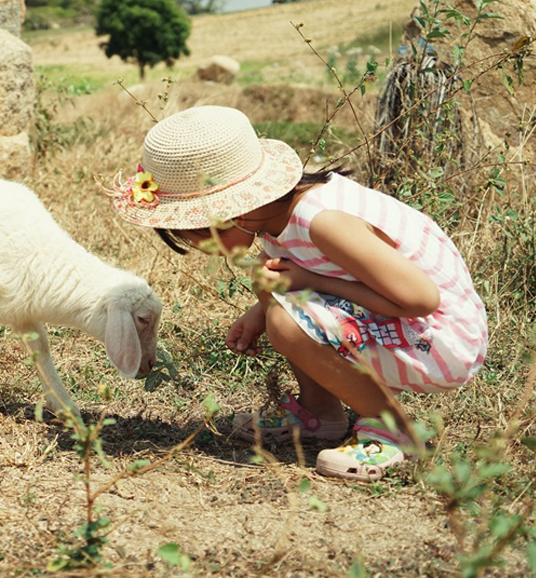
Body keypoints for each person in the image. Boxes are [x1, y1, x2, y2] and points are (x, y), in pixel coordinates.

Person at [108, 105, 487, 482]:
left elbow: (422, 299)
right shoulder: (276, 216)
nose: (201, 248)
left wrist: (313, 284)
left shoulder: (324, 222)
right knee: (271, 290)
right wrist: (259, 311)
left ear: (230, 216)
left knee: (287, 321)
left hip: (440, 338)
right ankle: (320, 414)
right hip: (406, 315)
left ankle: (395, 430)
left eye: (195, 235)